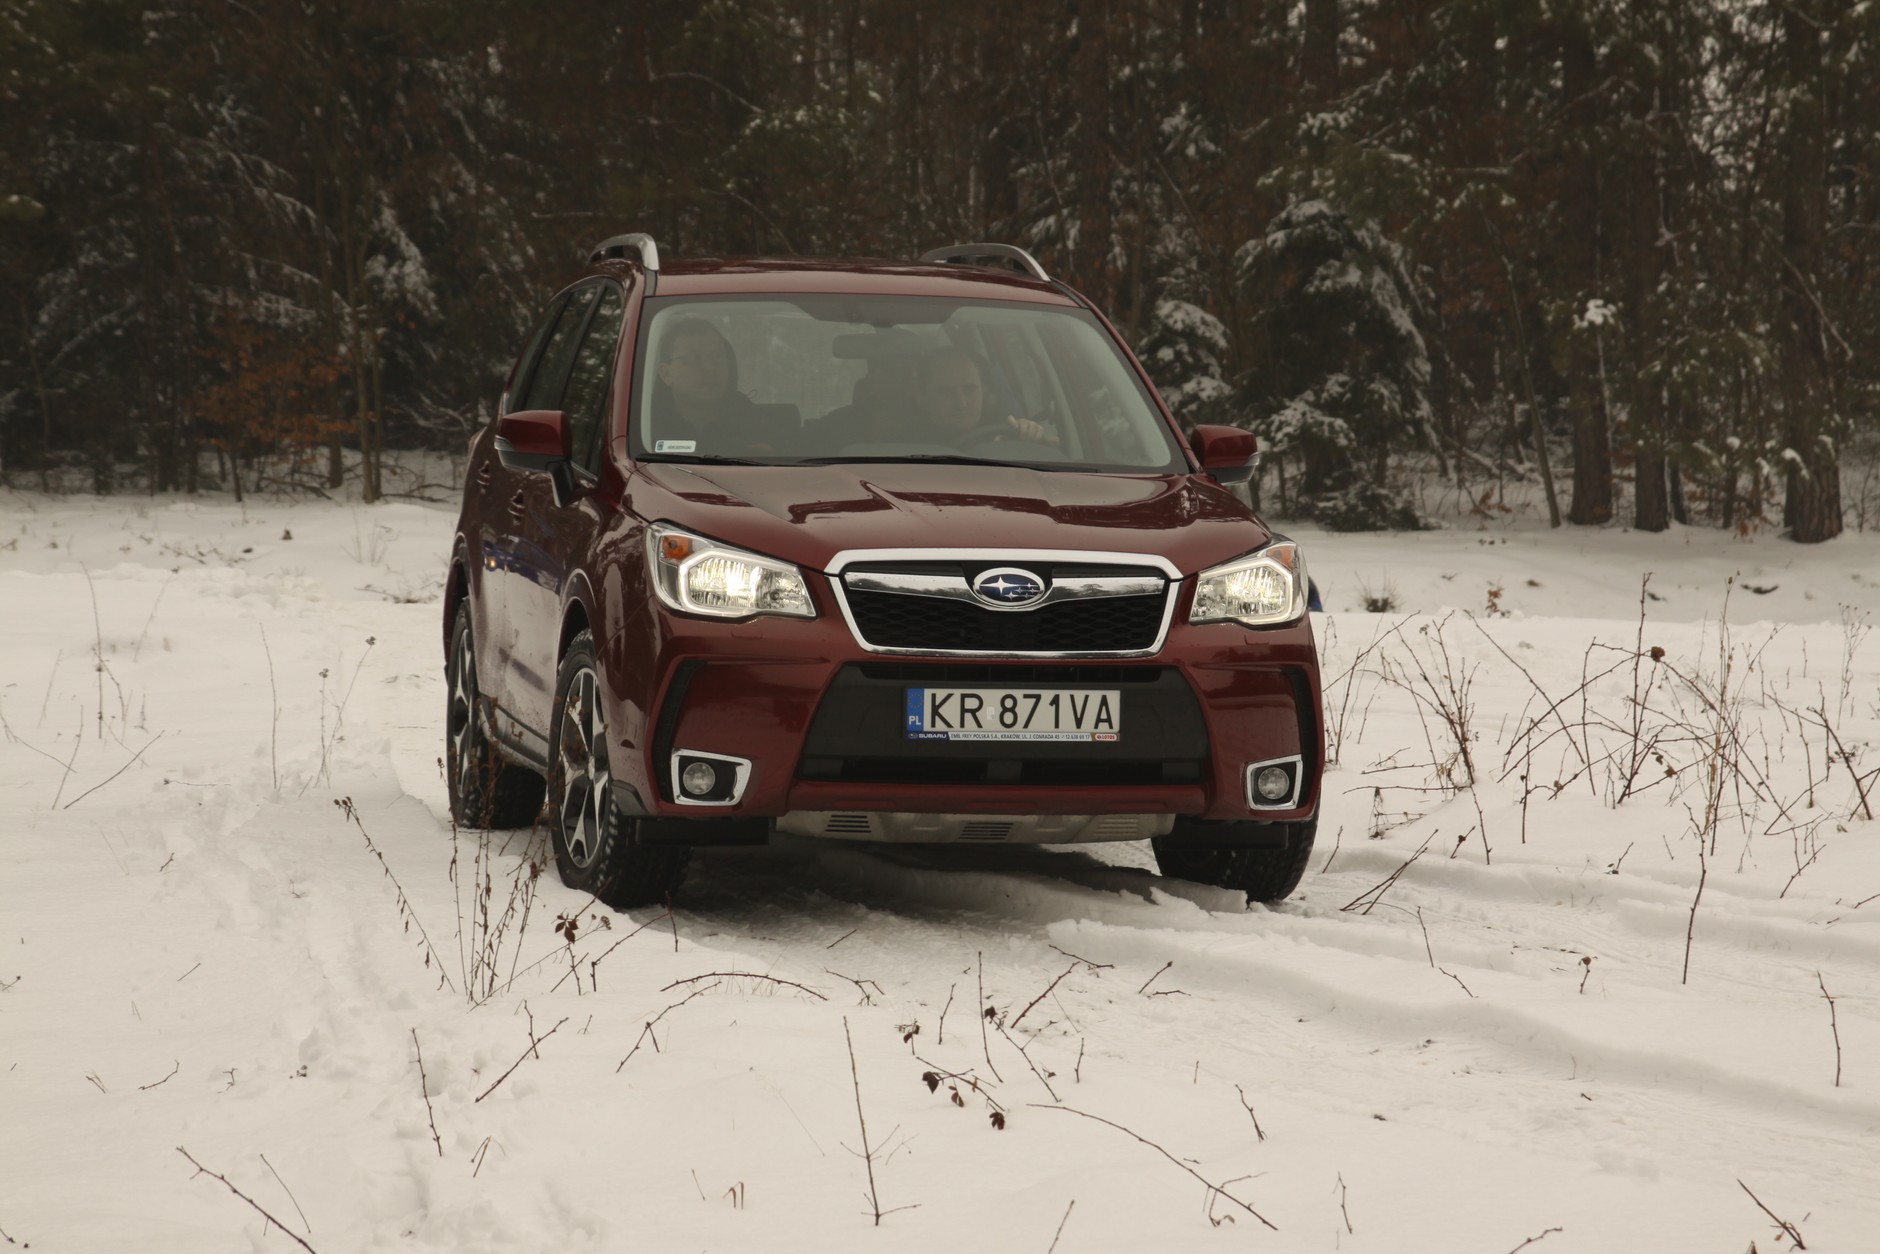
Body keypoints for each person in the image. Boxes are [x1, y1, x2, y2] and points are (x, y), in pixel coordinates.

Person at [647, 318, 788, 454]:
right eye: (693, 359)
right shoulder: (644, 429)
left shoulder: (759, 428)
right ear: (666, 373)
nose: (710, 367)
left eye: (717, 357)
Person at [914, 347, 1056, 448]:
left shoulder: (1007, 434)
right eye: (946, 392)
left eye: (969, 389)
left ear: (983, 392)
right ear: (921, 399)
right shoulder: (905, 451)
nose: (962, 404)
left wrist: (1029, 434)